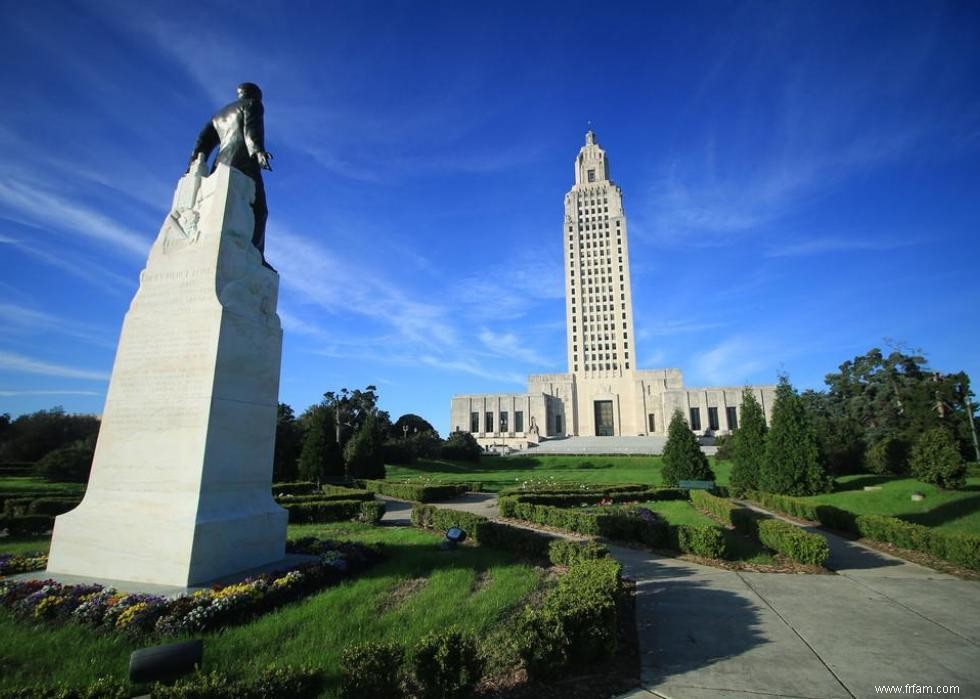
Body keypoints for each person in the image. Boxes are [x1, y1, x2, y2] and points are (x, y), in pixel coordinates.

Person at [189, 82, 273, 264]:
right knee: (260, 209)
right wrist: (257, 152)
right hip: (243, 163)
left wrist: (193, 164)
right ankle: (255, 255)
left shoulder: (219, 115)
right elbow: (252, 130)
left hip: (219, 165)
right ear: (255, 95)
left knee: (218, 206)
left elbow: (202, 142)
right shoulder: (253, 104)